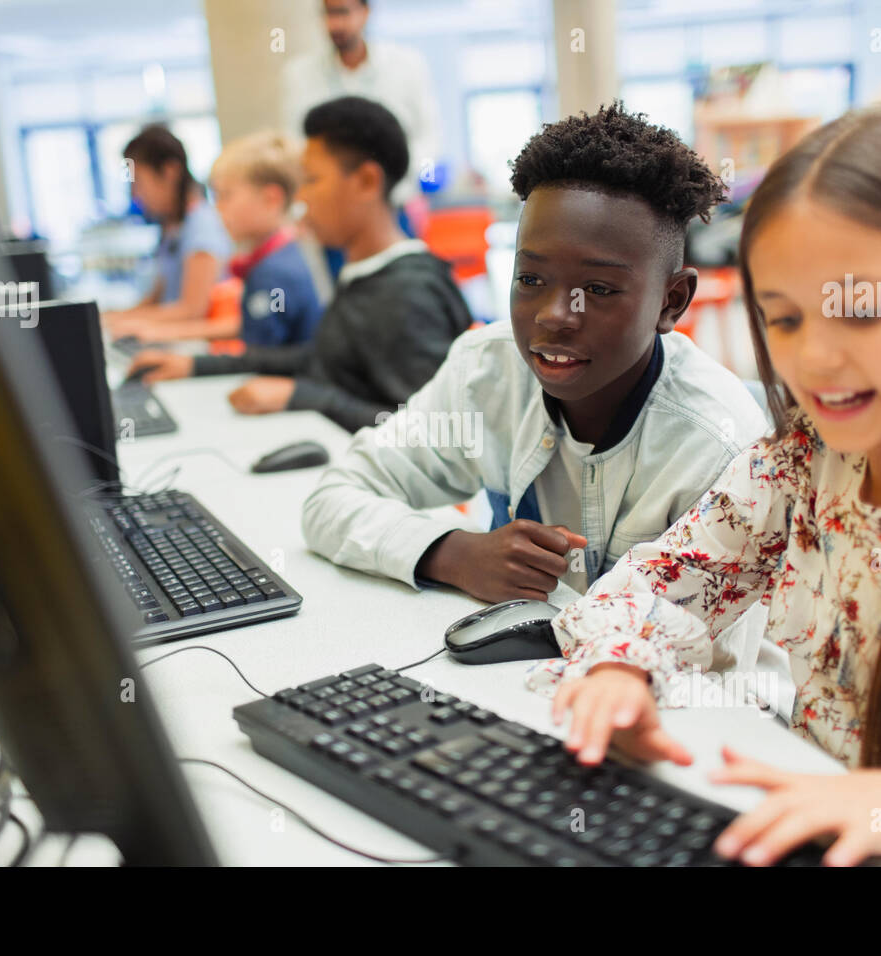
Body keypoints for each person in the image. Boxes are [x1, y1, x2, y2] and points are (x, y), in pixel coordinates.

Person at [540, 104, 881, 867]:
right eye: (784, 320)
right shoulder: (804, 461)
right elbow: (654, 585)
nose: (815, 359)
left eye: (860, 310)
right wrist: (620, 665)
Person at [301, 103, 769, 603]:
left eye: (598, 288)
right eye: (530, 279)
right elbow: (331, 500)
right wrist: (454, 554)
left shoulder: (718, 448)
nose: (554, 315)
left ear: (670, 301)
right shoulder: (486, 371)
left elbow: (704, 655)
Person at [127, 97, 471, 433]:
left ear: (366, 181)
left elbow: (436, 432)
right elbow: (318, 359)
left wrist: (305, 397)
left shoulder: (408, 292)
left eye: (311, 180)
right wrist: (194, 365)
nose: (301, 198)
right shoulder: (363, 275)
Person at [123, 131, 324, 347]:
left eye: (226, 196)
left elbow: (268, 350)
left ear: (271, 198)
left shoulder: (276, 275)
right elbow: (257, 327)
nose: (217, 208)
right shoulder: (275, 261)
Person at [281, 0, 440, 212]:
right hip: (333, 207)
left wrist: (413, 186)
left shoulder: (405, 66)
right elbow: (295, 141)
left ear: (365, 13)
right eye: (328, 14)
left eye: (343, 12)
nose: (335, 24)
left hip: (395, 203)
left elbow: (428, 135)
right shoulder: (300, 74)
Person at [104, 124, 232, 340]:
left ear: (169, 172)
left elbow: (192, 310)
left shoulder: (202, 227)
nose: (136, 196)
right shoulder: (173, 228)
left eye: (140, 184)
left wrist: (125, 322)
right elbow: (156, 298)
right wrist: (113, 317)